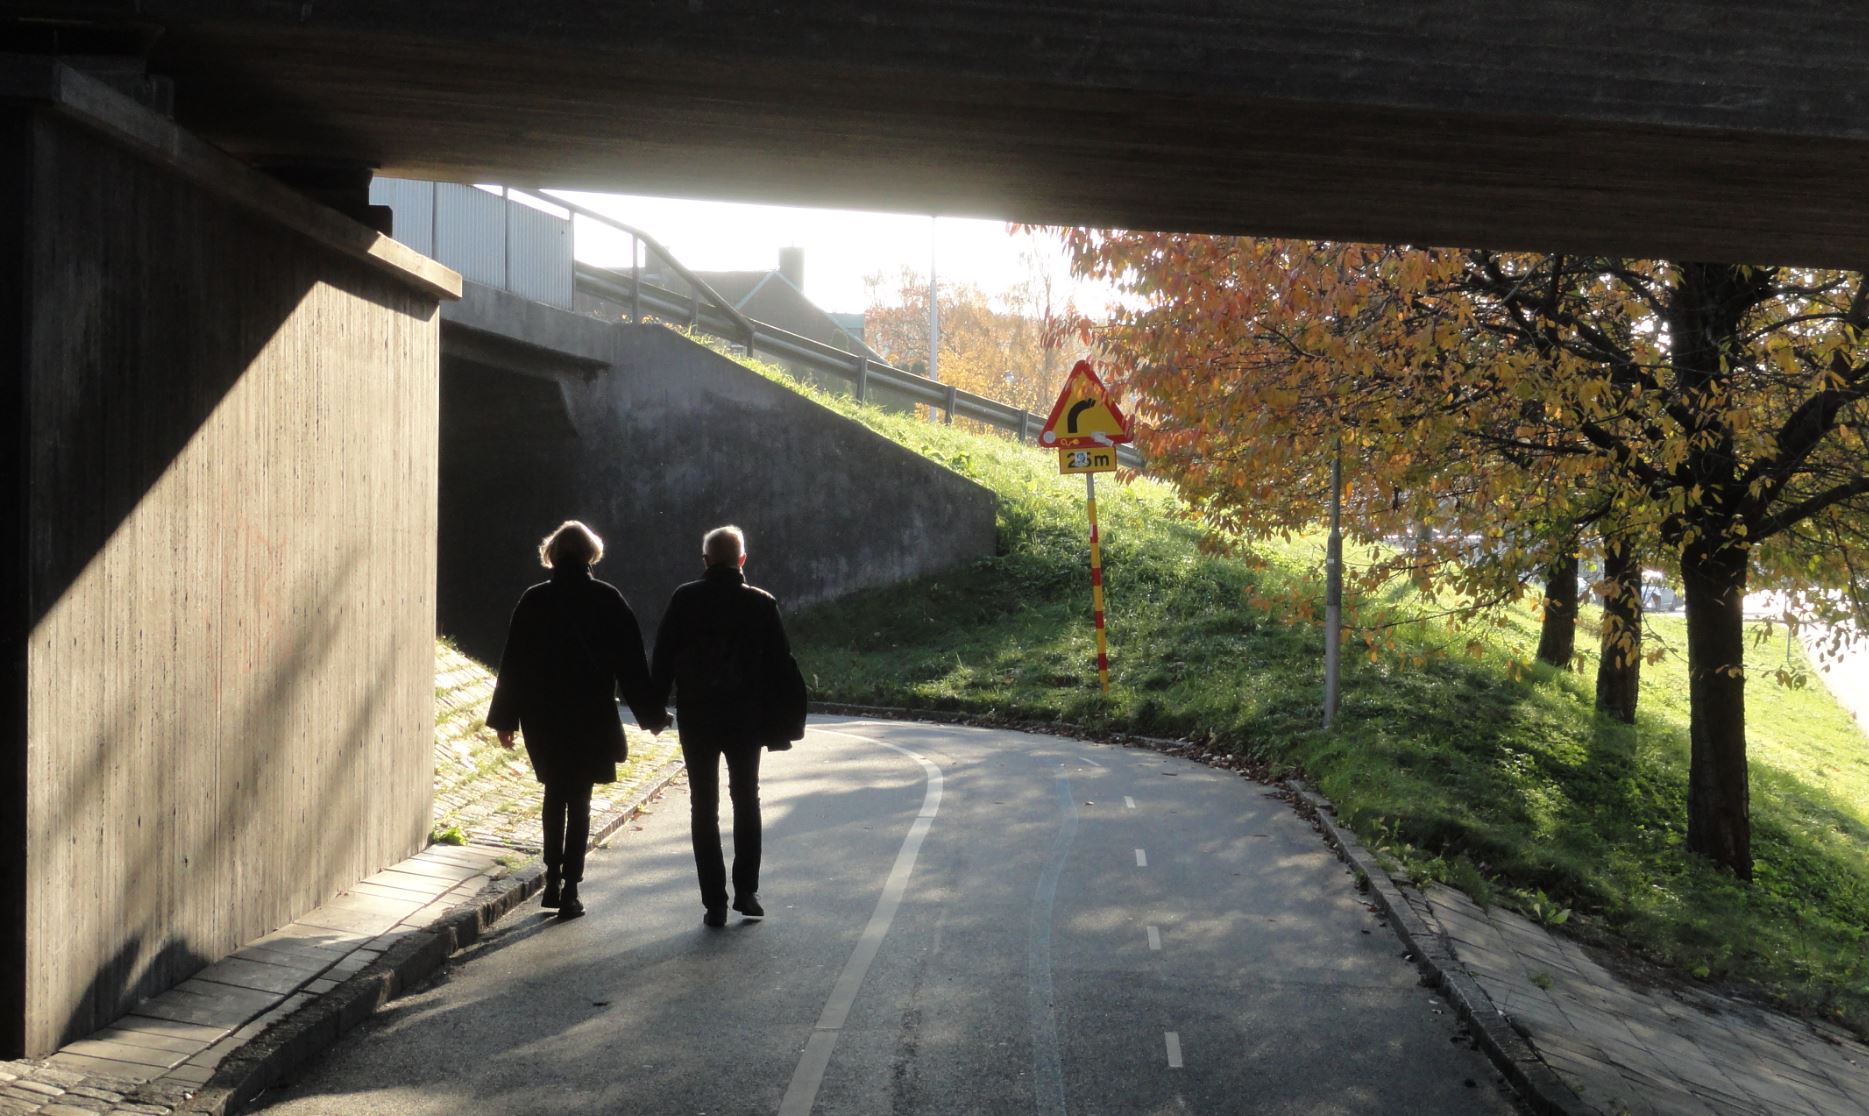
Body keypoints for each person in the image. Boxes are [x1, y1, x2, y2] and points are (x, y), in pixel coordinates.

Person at [488, 520, 666, 920]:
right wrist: (652, 716)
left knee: (554, 794)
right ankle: (571, 888)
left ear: (552, 554)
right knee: (580, 799)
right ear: (590, 554)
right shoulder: (608, 599)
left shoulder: (534, 600)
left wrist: (505, 719)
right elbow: (632, 665)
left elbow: (513, 662)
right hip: (590, 714)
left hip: (544, 715)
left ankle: (551, 878)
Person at [652, 525, 805, 928]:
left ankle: (714, 903)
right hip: (745, 718)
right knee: (746, 798)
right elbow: (781, 666)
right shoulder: (761, 603)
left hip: (698, 715)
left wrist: (652, 710)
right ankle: (747, 891)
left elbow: (663, 657)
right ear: (742, 560)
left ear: (705, 561)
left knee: (703, 805)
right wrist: (784, 722)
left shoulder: (685, 599)